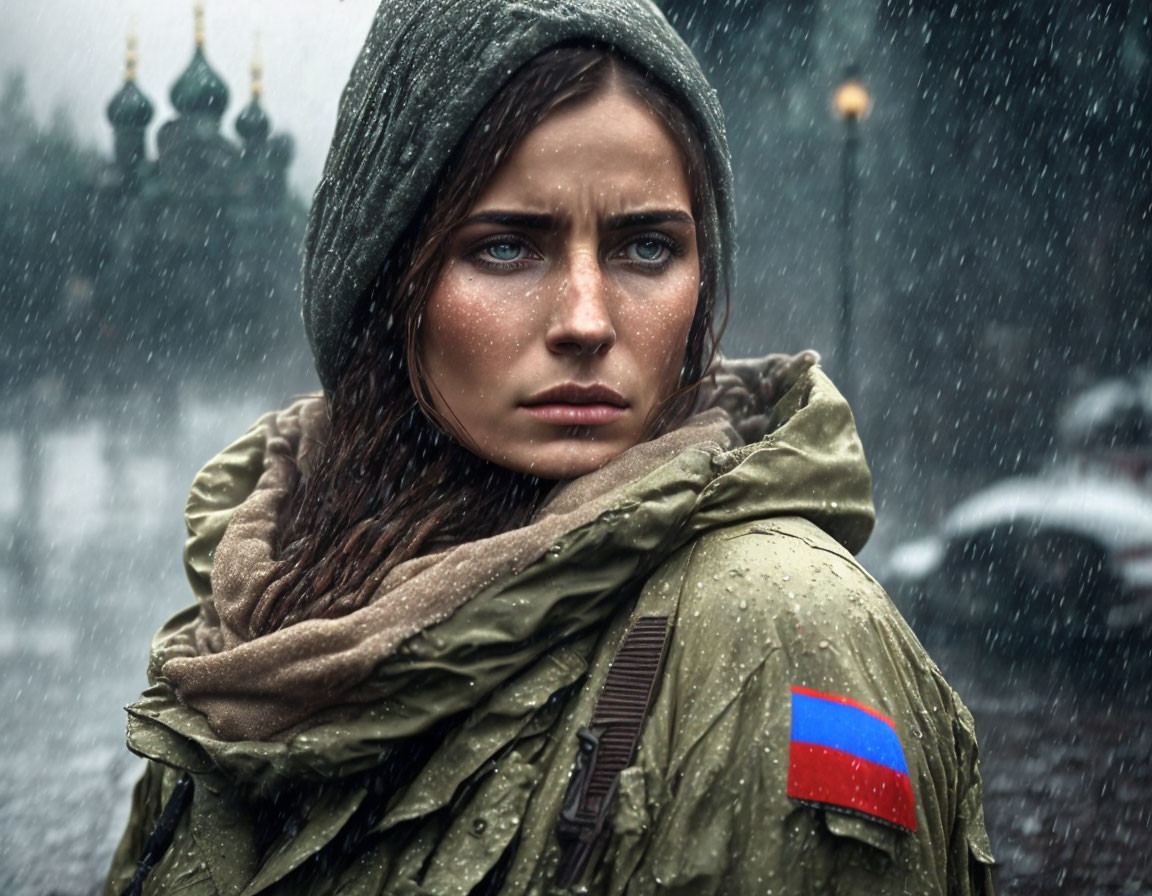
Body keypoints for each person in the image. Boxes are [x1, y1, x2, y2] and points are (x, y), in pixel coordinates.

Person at [104, 1, 994, 894]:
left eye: (646, 247)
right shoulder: (255, 619)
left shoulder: (782, 634)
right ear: (383, 278)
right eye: (505, 248)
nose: (586, 321)